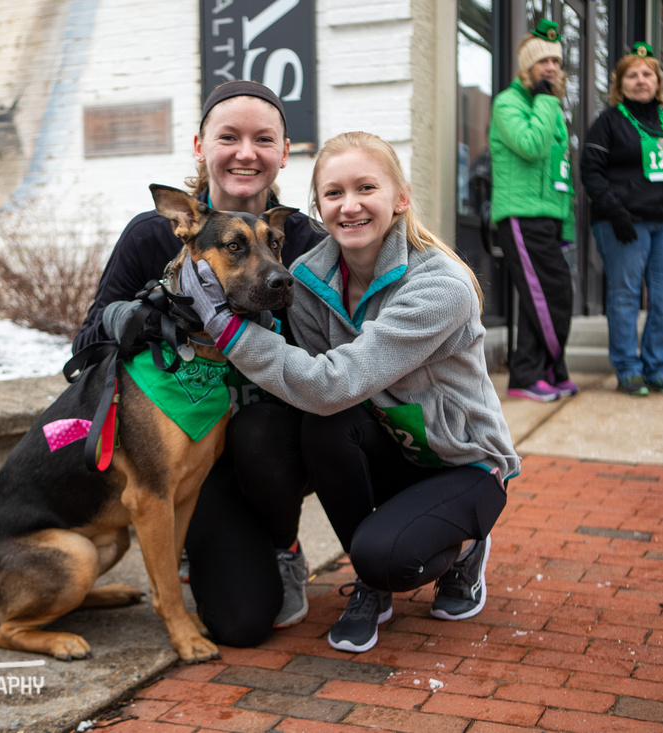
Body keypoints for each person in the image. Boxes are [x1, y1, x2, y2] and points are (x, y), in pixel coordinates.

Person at [149, 130, 520, 654]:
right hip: (387, 443)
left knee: (387, 555)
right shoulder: (307, 277)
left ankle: (463, 551)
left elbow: (334, 381)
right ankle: (370, 585)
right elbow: (301, 372)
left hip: (457, 460)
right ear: (318, 209)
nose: (350, 206)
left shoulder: (441, 286)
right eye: (334, 194)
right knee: (322, 426)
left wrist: (226, 327)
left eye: (366, 188)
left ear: (401, 197)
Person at [72, 80, 325, 646]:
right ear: (200, 145)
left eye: (263, 139)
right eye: (228, 136)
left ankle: (283, 540)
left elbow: (335, 348)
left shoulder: (304, 238)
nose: (245, 151)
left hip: (269, 449)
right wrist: (129, 319)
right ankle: (196, 545)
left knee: (260, 430)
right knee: (240, 624)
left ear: (284, 152)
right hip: (189, 454)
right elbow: (85, 344)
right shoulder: (156, 232)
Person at [579, 43, 663, 397]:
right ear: (620, 84)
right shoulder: (609, 122)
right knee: (625, 296)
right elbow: (591, 171)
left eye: (647, 74)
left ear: (657, 81)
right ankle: (628, 370)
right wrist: (616, 211)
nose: (640, 80)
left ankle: (656, 368)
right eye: (632, 75)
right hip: (622, 224)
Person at [489, 19, 578, 402]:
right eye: (543, 61)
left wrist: (566, 223)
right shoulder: (509, 102)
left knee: (542, 295)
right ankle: (532, 373)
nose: (552, 68)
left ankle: (539, 370)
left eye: (556, 62)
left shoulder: (552, 107)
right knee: (550, 294)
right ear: (527, 66)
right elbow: (531, 145)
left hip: (549, 216)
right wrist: (545, 100)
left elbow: (562, 171)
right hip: (520, 215)